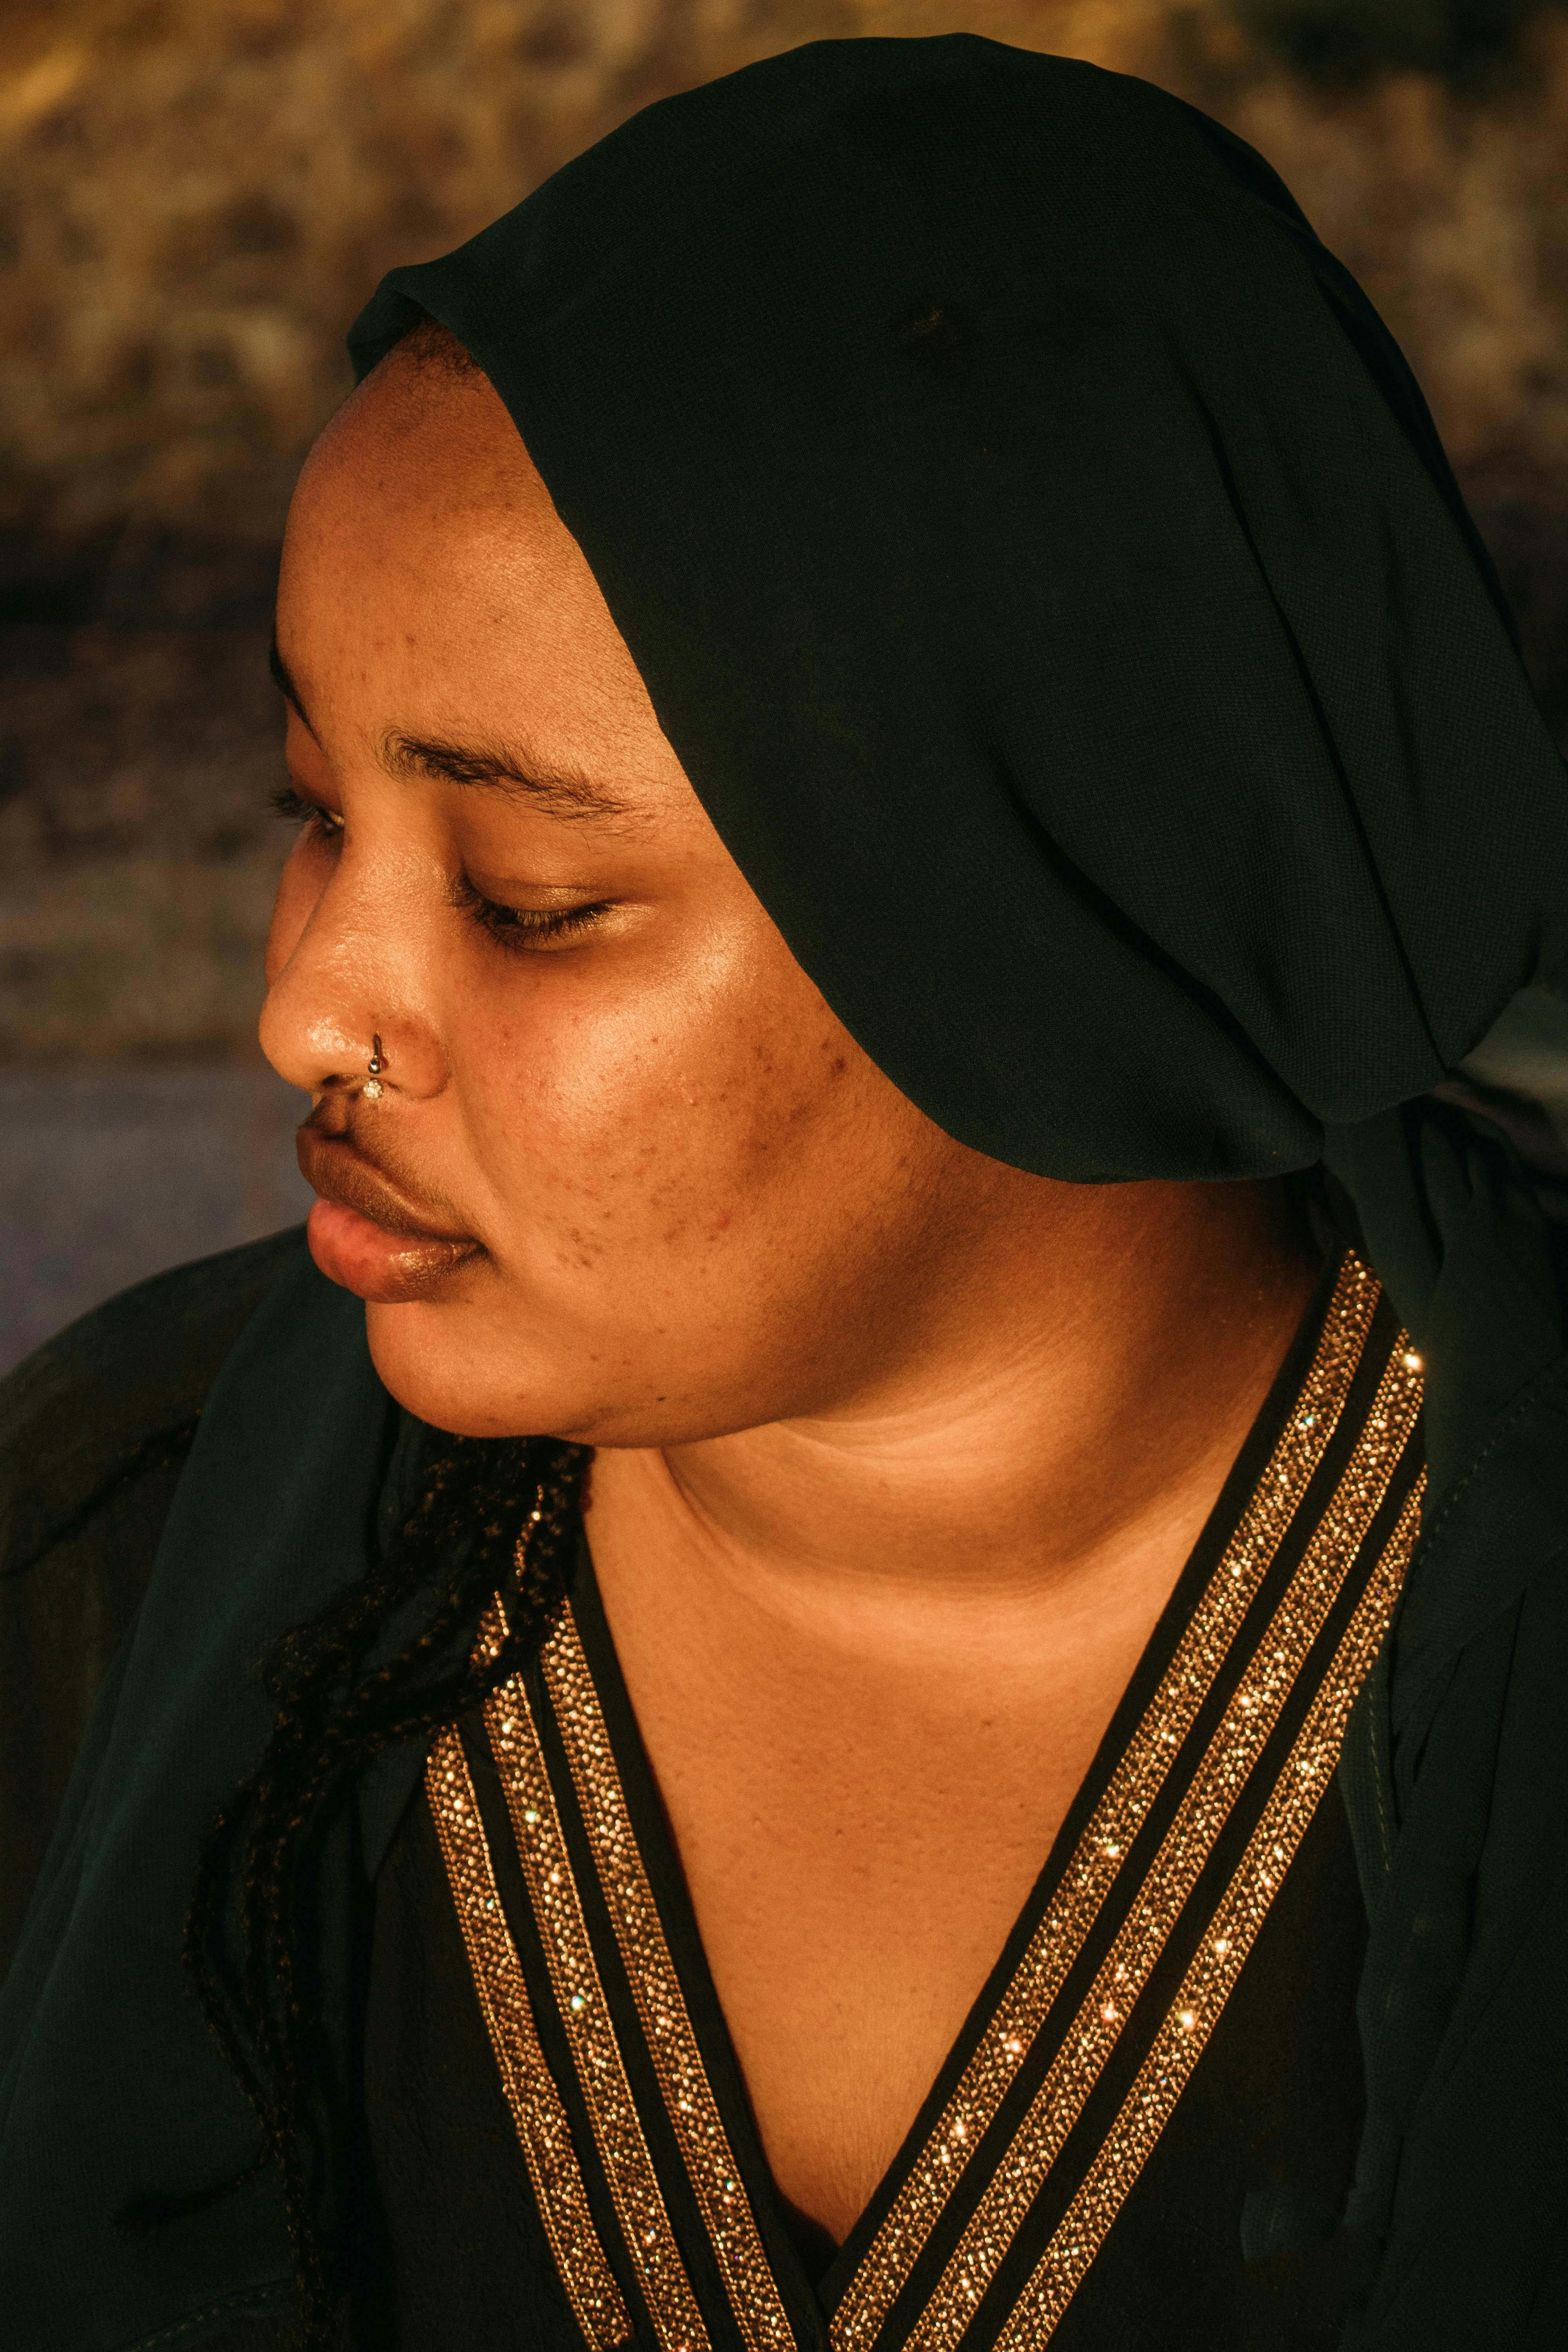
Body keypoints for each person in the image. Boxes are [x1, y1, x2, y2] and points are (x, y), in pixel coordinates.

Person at [2, 33, 1564, 2352]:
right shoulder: (105, 1571)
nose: (308, 1010)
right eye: (307, 806)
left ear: (1051, 918)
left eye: (528, 895)